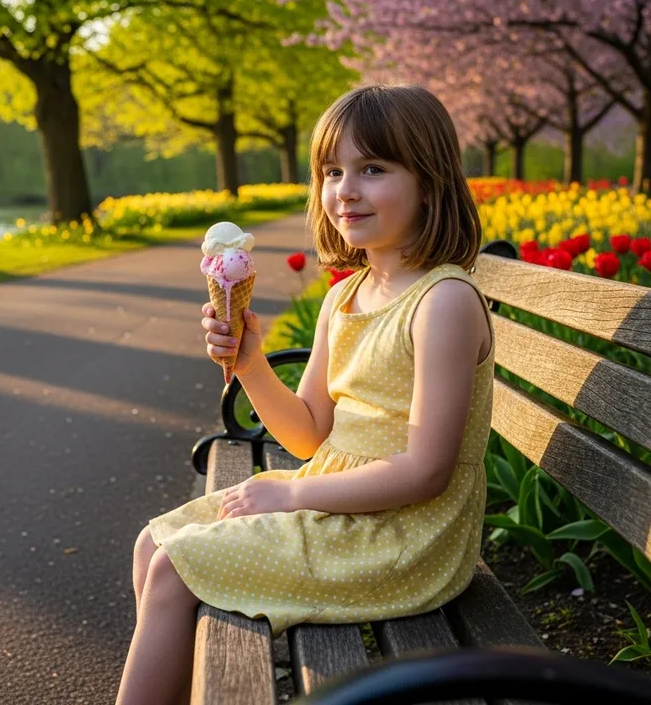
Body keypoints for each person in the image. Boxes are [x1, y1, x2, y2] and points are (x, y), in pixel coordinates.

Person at [114, 83, 495, 705]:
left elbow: (426, 473)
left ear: (430, 181)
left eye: (373, 169)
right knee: (153, 544)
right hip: (346, 504)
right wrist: (250, 361)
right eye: (332, 171)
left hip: (407, 538)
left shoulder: (442, 302)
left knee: (172, 569)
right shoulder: (347, 296)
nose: (346, 188)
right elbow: (309, 433)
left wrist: (289, 492)